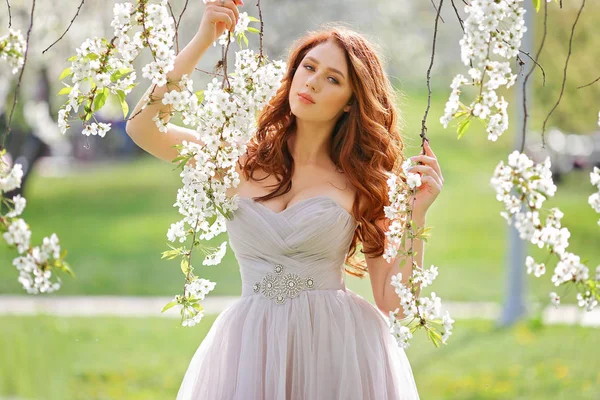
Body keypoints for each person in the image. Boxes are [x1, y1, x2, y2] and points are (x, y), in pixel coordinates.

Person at [126, 1, 443, 398]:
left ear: (350, 100)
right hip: (249, 349)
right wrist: (204, 37)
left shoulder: (364, 184)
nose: (311, 82)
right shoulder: (236, 159)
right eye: (308, 68)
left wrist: (416, 214)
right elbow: (143, 128)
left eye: (332, 79)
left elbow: (392, 302)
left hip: (337, 351)